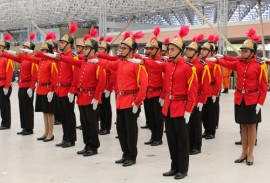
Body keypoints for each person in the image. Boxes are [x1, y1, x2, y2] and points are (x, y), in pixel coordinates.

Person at [128, 26, 198, 180]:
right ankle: (174, 167)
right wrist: (139, 58)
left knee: (182, 141)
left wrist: (189, 109)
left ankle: (183, 168)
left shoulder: (188, 68)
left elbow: (193, 90)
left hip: (181, 108)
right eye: (169, 49)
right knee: (172, 140)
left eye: (173, 49)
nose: (170, 52)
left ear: (180, 51)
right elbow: (154, 64)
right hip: (169, 107)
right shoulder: (168, 65)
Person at [208, 28, 268, 165]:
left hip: (253, 99)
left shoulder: (260, 65)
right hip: (240, 98)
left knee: (251, 126)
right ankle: (243, 153)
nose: (242, 52)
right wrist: (217, 60)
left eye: (245, 50)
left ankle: (251, 154)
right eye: (241, 50)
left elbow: (263, 85)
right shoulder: (239, 62)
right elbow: (228, 63)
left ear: (252, 52)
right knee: (243, 126)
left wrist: (261, 102)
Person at [88, 30, 148, 167]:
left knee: (131, 130)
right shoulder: (120, 63)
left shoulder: (137, 64)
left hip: (131, 100)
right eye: (120, 48)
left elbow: (144, 84)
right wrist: (98, 60)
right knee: (121, 129)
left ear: (133, 50)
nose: (121, 50)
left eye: (124, 48)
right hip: (120, 101)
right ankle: (125, 153)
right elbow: (109, 65)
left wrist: (138, 101)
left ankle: (132, 156)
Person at [55, 29, 106, 156]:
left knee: (92, 123)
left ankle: (93, 146)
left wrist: (97, 97)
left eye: (87, 48)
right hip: (82, 96)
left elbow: (102, 80)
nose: (84, 50)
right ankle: (87, 144)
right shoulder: (83, 61)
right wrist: (60, 57)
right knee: (84, 122)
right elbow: (72, 61)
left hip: (91, 97)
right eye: (84, 48)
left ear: (93, 50)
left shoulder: (97, 63)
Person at [19, 32, 58, 142]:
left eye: (45, 50)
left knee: (50, 112)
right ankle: (46, 132)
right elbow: (30, 58)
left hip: (47, 90)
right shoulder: (40, 60)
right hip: (40, 89)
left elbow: (54, 78)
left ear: (49, 52)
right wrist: (21, 53)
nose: (43, 52)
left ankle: (51, 133)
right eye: (42, 50)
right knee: (44, 112)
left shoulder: (52, 62)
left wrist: (52, 90)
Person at [1, 33, 37, 135]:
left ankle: (29, 128)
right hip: (21, 86)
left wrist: (31, 87)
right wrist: (5, 53)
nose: (23, 48)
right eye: (24, 47)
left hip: (28, 86)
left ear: (30, 49)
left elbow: (34, 74)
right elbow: (13, 58)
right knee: (22, 107)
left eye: (26, 47)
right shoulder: (24, 58)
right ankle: (24, 127)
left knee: (28, 108)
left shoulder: (32, 59)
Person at [185, 34, 210, 155]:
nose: (188, 51)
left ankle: (197, 146)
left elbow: (206, 83)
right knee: (188, 122)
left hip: (197, 97)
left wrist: (202, 100)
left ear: (197, 52)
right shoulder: (186, 63)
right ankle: (189, 144)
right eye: (188, 49)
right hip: (187, 97)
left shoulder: (202, 65)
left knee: (196, 122)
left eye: (191, 50)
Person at [142, 26, 164, 146]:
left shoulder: (163, 61)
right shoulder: (147, 60)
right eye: (148, 48)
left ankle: (158, 137)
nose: (149, 50)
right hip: (147, 93)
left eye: (152, 48)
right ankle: (153, 136)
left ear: (159, 50)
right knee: (150, 117)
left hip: (157, 93)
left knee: (158, 118)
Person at [200, 34, 222, 139]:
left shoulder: (214, 63)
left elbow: (218, 79)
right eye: (202, 49)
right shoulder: (201, 62)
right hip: (203, 91)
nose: (202, 51)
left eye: (205, 50)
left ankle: (211, 131)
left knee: (211, 112)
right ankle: (206, 130)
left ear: (210, 52)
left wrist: (216, 92)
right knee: (203, 113)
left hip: (211, 90)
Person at [97, 36, 115, 135]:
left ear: (106, 50)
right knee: (100, 108)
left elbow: (113, 75)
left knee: (106, 107)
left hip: (106, 86)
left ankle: (107, 127)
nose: (99, 50)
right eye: (98, 48)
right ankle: (102, 126)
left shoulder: (110, 60)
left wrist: (109, 88)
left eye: (101, 49)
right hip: (99, 86)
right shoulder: (98, 60)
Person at [0, 33, 14, 130]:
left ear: (6, 48)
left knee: (5, 105)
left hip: (4, 85)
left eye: (1, 47)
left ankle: (6, 123)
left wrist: (6, 86)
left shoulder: (8, 58)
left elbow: (9, 73)